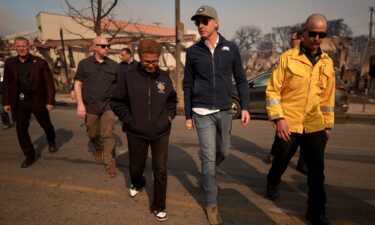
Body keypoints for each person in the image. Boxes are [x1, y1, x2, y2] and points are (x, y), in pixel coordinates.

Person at [183, 5, 250, 225]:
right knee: (209, 158)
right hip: (201, 111)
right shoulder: (193, 52)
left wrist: (246, 107)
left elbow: (240, 79)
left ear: (216, 23)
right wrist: (188, 114)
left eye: (205, 21)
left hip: (224, 110)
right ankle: (211, 202)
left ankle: (208, 169)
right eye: (197, 22)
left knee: (224, 151)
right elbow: (188, 84)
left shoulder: (231, 48)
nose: (200, 25)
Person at [265, 14, 334, 225]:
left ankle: (315, 212)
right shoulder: (288, 58)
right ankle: (272, 182)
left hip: (315, 125)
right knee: (282, 159)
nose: (316, 38)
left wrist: (327, 126)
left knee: (316, 172)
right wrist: (279, 119)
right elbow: (273, 91)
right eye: (312, 33)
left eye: (321, 34)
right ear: (304, 33)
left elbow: (328, 98)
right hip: (290, 122)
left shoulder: (327, 63)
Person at [111, 38, 177, 222]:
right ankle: (138, 182)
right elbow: (117, 102)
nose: (151, 65)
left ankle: (159, 206)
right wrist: (129, 120)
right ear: (140, 58)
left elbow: (172, 101)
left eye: (154, 61)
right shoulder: (129, 75)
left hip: (161, 131)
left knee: (160, 168)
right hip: (136, 131)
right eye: (147, 61)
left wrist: (168, 118)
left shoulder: (164, 76)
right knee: (136, 167)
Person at [2, 37, 57, 168]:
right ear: (15, 48)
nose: (21, 48)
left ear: (29, 47)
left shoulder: (40, 62)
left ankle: (51, 139)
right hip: (19, 101)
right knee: (21, 129)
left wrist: (50, 101)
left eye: (24, 46)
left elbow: (49, 84)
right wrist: (6, 102)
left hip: (37, 100)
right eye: (18, 46)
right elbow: (7, 84)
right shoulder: (9, 63)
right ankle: (29, 154)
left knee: (46, 124)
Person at [265, 28, 308, 175]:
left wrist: (327, 125)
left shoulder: (323, 60)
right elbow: (274, 88)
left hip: (310, 118)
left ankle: (302, 164)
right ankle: (273, 170)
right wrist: (278, 116)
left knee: (307, 147)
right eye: (291, 39)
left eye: (293, 39)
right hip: (288, 113)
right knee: (282, 149)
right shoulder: (286, 57)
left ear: (301, 39)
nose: (291, 42)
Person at [74, 36, 118, 178]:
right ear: (94, 47)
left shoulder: (114, 65)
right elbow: (78, 83)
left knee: (108, 134)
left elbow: (121, 86)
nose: (107, 49)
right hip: (90, 106)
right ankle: (98, 148)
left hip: (108, 106)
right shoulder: (84, 64)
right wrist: (80, 104)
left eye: (108, 46)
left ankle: (110, 163)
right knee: (92, 133)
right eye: (103, 46)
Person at [0, 54, 12, 129]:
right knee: (1, 107)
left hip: (4, 86)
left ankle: (7, 122)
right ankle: (6, 122)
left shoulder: (7, 66)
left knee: (2, 107)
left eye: (1, 60)